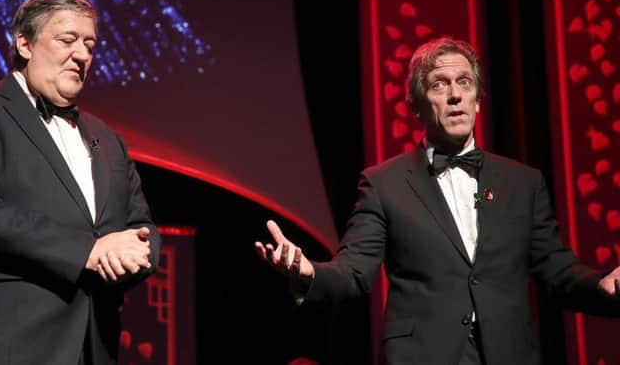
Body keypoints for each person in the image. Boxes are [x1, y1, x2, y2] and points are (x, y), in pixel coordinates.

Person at [255, 37, 620, 364]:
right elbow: (353, 272)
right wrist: (309, 273)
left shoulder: (523, 182)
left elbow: (555, 269)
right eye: (439, 85)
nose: (456, 95)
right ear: (417, 105)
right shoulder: (385, 183)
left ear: (478, 99)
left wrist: (600, 284)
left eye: (465, 82)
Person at [0, 0, 161, 365]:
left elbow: (142, 227)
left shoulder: (108, 139)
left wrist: (137, 254)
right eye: (67, 40)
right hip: (10, 344)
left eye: (89, 45)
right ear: (25, 44)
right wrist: (87, 252)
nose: (82, 54)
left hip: (97, 347)